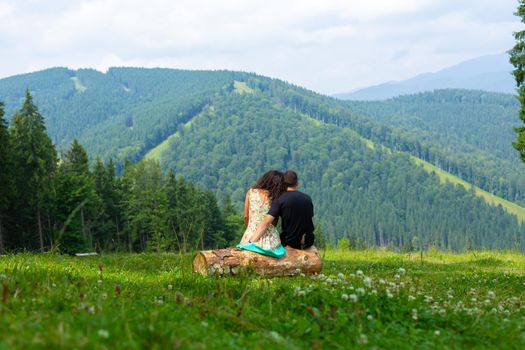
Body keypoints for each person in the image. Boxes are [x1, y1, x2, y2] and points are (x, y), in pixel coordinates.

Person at [250, 170, 315, 250]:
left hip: (290, 242)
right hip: (308, 240)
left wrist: (251, 241)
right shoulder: (307, 198)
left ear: (283, 183)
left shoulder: (280, 199)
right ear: (297, 183)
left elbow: (266, 222)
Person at [236, 170, 287, 258]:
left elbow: (245, 216)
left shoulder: (251, 192)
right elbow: (274, 222)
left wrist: (250, 228)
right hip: (271, 240)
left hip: (251, 235)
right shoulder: (276, 197)